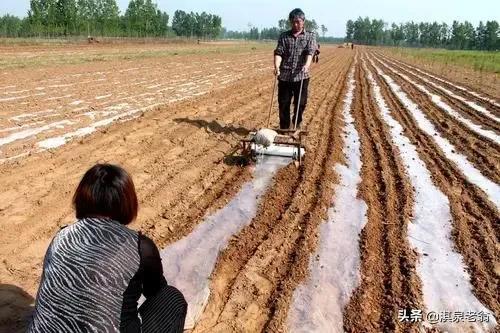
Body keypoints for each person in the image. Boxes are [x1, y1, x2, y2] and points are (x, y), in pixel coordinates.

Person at [28, 164, 187, 333]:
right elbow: (155, 291)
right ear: (127, 201)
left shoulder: (61, 237)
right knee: (172, 298)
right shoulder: (140, 246)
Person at [274, 8, 318, 130]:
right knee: (283, 104)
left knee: (301, 104)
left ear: (303, 21)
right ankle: (284, 128)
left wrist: (307, 65)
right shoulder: (284, 36)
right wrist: (276, 66)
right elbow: (278, 53)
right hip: (285, 76)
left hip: (301, 76)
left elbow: (310, 52)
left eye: (298, 22)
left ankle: (296, 124)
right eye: (293, 22)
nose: (295, 24)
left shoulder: (310, 36)